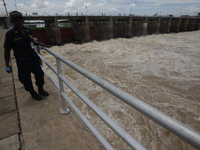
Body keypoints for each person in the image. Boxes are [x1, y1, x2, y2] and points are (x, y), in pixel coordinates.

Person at [4, 11, 49, 101]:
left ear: (23, 20)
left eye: (20, 20)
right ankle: (32, 93)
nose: (18, 22)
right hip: (22, 61)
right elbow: (7, 50)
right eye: (15, 20)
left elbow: (31, 41)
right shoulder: (10, 35)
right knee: (25, 79)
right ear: (12, 22)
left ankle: (40, 89)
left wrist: (39, 43)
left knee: (39, 74)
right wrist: (7, 65)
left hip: (33, 58)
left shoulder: (28, 31)